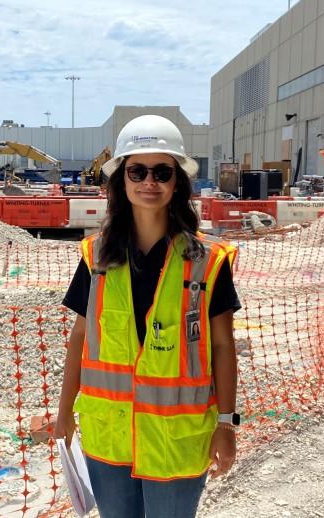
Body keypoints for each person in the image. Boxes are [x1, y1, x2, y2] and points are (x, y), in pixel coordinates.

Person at [55, 114, 241, 518]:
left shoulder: (207, 262)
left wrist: (226, 425)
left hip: (177, 439)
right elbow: (80, 340)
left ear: (178, 182)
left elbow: (224, 347)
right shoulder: (96, 257)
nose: (149, 182)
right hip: (109, 435)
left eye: (162, 171)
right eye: (137, 171)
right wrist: (64, 412)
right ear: (121, 180)